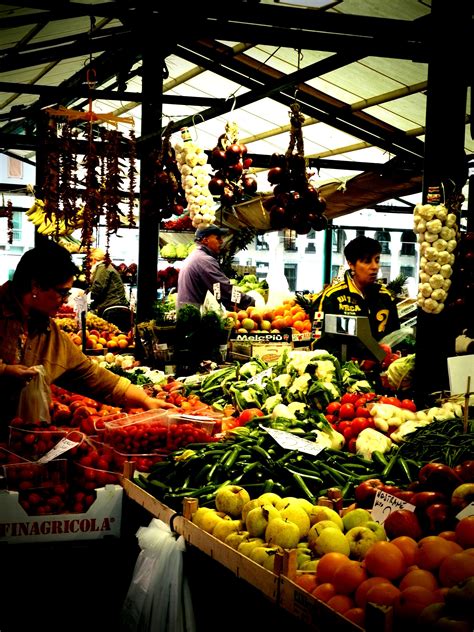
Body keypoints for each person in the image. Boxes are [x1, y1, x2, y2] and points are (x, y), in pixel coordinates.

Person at [0, 241, 172, 438]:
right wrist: (4, 370)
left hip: (18, 443)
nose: (65, 300)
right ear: (36, 286)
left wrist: (144, 400)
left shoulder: (48, 331)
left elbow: (90, 375)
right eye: (62, 292)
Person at [314, 235, 400, 358]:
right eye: (367, 261)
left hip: (381, 371)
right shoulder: (332, 296)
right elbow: (319, 340)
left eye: (377, 259)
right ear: (351, 264)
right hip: (345, 371)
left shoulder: (386, 297)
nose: (375, 266)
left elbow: (396, 337)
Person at [176, 224, 256, 311]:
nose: (221, 241)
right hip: (193, 316)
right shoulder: (204, 260)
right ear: (205, 240)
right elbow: (224, 289)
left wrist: (230, 305)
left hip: (187, 312)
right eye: (218, 238)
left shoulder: (195, 255)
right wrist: (251, 303)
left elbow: (216, 290)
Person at [89, 247, 130, 318]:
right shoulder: (106, 267)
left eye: (89, 261)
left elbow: (98, 287)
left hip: (113, 309)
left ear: (94, 259)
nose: (89, 264)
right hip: (116, 306)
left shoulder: (102, 267)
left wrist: (86, 296)